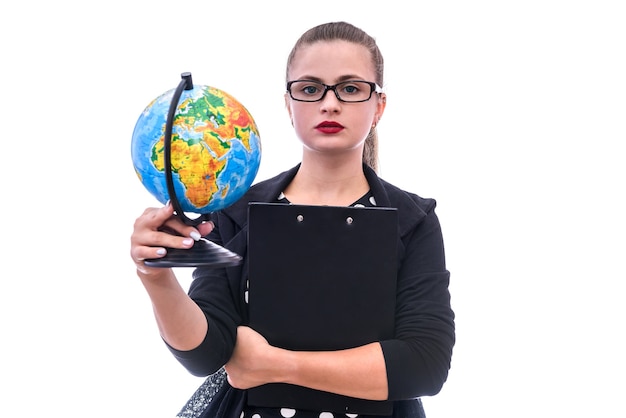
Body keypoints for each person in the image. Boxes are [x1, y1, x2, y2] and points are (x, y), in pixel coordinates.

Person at [130, 21, 455, 418]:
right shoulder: (236, 212)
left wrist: (277, 365)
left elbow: (425, 363)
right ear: (289, 104)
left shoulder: (412, 220)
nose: (329, 103)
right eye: (310, 88)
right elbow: (206, 354)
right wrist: (157, 276)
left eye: (351, 89)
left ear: (378, 107)